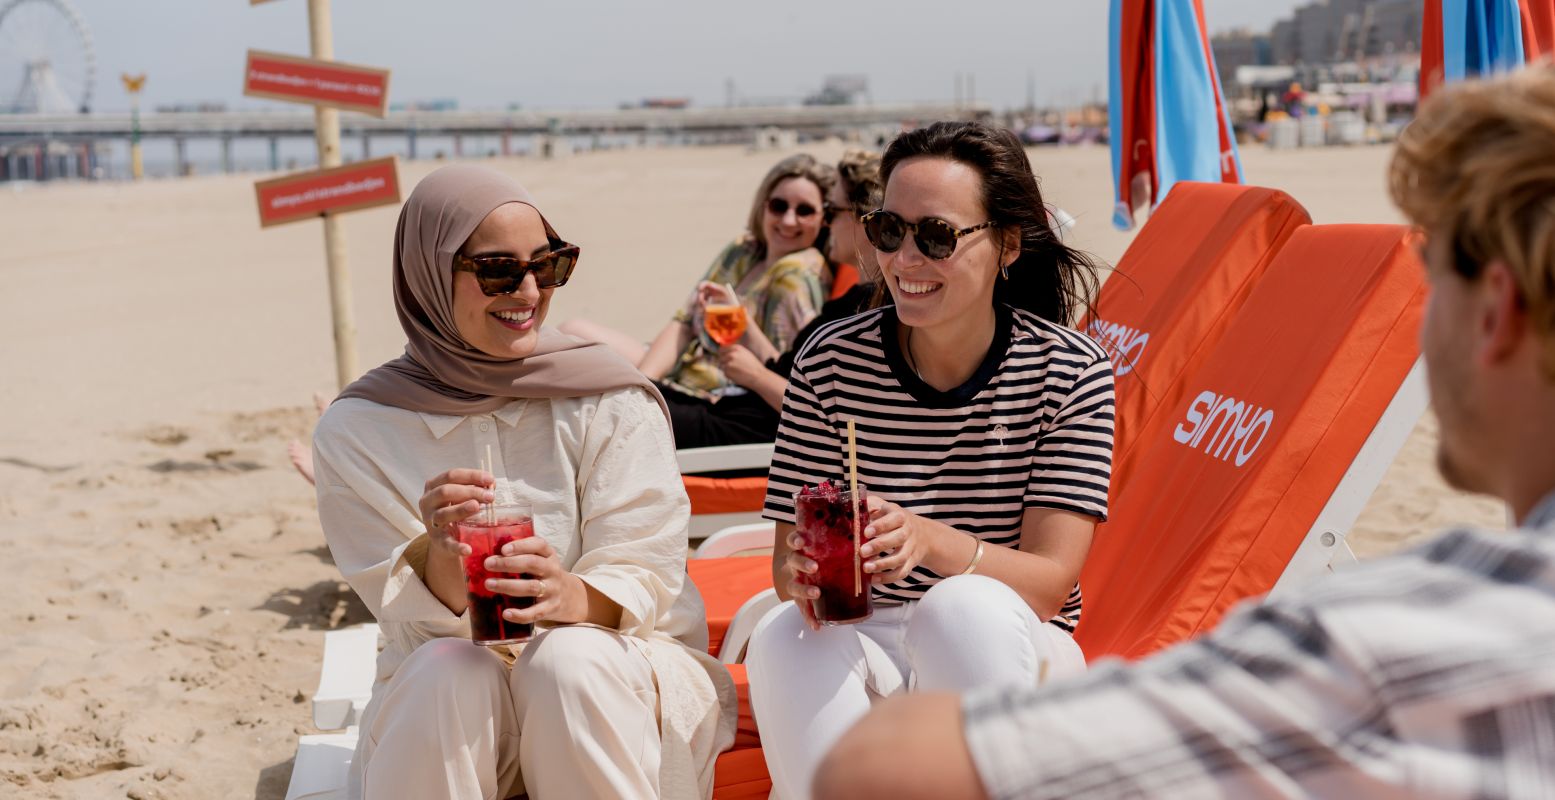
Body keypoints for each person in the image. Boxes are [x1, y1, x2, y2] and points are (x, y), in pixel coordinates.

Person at [813, 66, 1555, 800]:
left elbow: (879, 767)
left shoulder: (1408, 651)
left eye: (1437, 284)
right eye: (888, 230)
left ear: (1491, 313)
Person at [311, 165, 734, 799]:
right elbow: (404, 612)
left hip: (615, 680)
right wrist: (442, 559)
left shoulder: (607, 398)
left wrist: (569, 597)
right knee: (450, 670)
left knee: (567, 661)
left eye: (549, 264)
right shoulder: (361, 428)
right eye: (498, 271)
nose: (530, 290)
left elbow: (646, 561)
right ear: (428, 275)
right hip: (449, 699)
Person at [744, 121, 1113, 799]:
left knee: (960, 608)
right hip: (872, 631)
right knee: (782, 637)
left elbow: (1046, 586)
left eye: (935, 236)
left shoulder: (1067, 371)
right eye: (888, 230)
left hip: (1016, 640)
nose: (904, 258)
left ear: (1005, 244)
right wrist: (805, 575)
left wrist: (925, 539)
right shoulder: (828, 361)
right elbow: (782, 570)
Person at [559, 154, 836, 402]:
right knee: (572, 332)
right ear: (763, 206)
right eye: (779, 206)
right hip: (681, 366)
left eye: (804, 211)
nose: (788, 221)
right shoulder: (744, 251)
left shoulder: (798, 275)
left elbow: (787, 368)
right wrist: (645, 383)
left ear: (825, 218)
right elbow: (684, 320)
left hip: (711, 390)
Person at [666, 149, 885, 448]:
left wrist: (755, 375)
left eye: (830, 212)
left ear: (863, 218)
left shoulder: (867, 312)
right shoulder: (853, 301)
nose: (826, 224)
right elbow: (792, 371)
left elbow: (828, 415)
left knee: (615, 404)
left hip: (743, 435)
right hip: (733, 414)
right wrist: (745, 328)